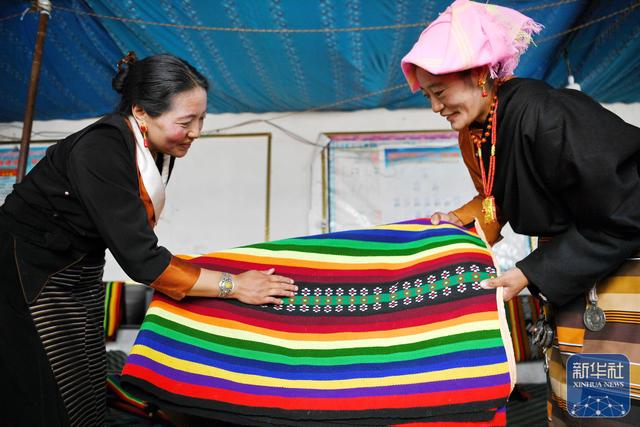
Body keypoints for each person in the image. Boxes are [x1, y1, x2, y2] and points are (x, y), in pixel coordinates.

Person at [0, 52, 297, 426]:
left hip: (79, 269)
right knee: (52, 386)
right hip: (29, 272)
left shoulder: (152, 150)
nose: (196, 132)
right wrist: (233, 285)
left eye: (202, 119)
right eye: (186, 122)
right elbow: (142, 259)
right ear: (141, 112)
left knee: (87, 378)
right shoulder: (100, 149)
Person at [401, 0, 639, 425]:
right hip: (573, 267)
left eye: (439, 92)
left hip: (617, 264)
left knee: (607, 407)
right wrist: (459, 223)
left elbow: (628, 208)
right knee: (573, 402)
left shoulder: (548, 115)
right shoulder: (478, 133)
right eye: (428, 97)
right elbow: (499, 198)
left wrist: (531, 272)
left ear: (479, 75)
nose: (435, 107)